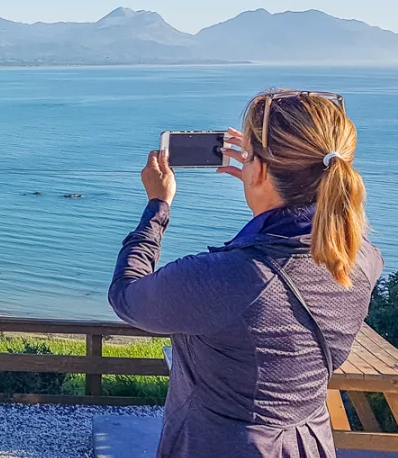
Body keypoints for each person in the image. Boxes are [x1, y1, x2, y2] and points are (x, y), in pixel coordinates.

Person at [108, 90, 384, 458]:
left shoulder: (226, 278)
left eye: (249, 153)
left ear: (260, 168)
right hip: (308, 442)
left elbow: (127, 295)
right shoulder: (361, 259)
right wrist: (265, 181)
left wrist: (158, 206)